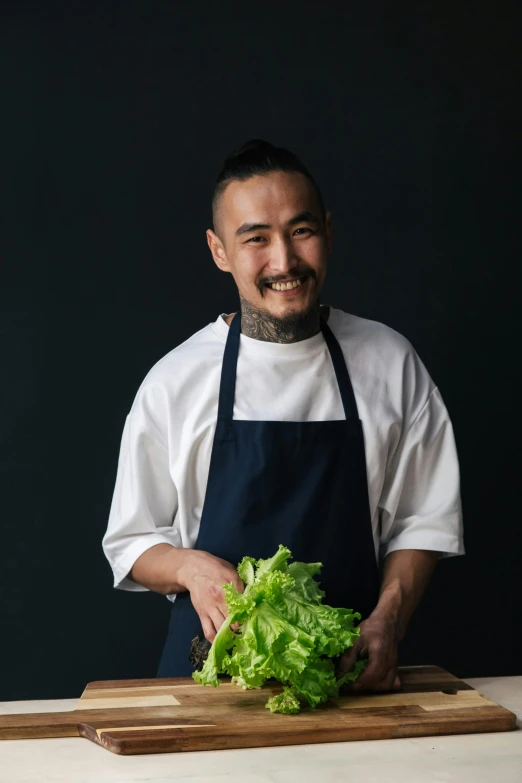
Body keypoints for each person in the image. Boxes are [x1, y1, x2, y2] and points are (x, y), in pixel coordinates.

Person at [102, 139, 464, 692]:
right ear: (219, 250)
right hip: (210, 685)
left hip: (350, 680)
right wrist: (190, 569)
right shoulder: (175, 381)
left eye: (301, 231)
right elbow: (130, 542)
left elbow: (424, 518)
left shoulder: (390, 363)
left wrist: (389, 618)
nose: (284, 262)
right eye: (256, 239)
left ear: (328, 230)